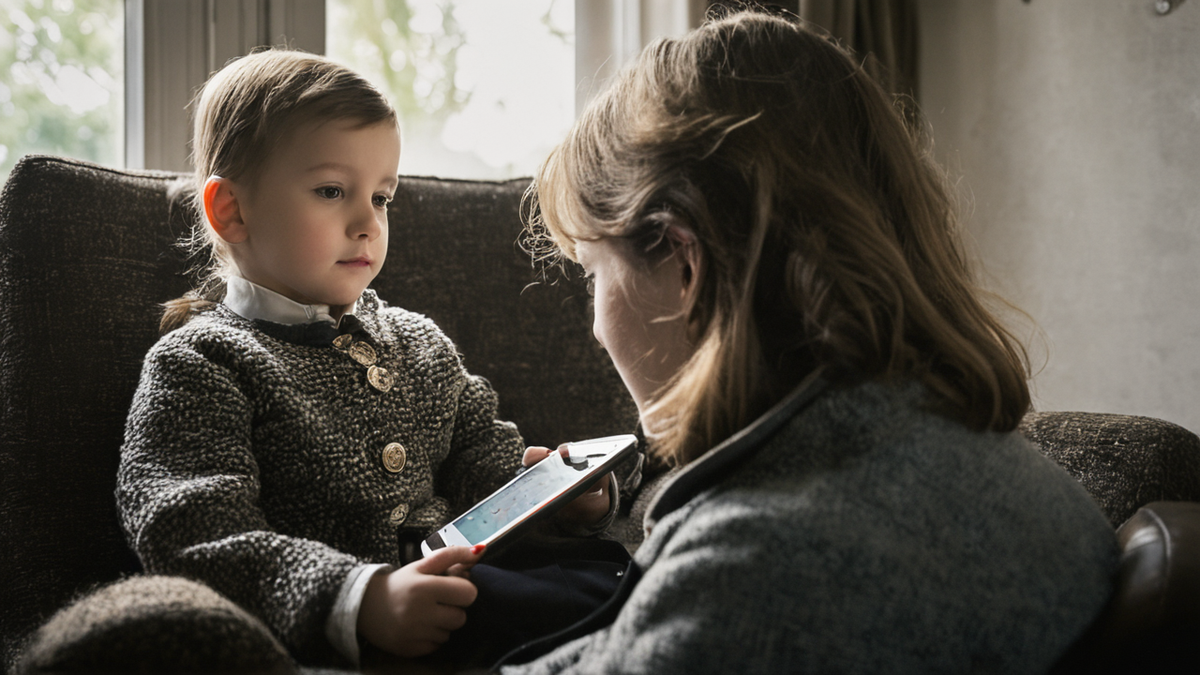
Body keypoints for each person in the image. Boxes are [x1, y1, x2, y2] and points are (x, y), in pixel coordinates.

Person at [502, 8, 1118, 675]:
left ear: (685, 264)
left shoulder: (749, 576)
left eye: (595, 274)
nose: (595, 324)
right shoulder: (1022, 484)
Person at [115, 48, 618, 669]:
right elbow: (190, 532)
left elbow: (480, 458)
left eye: (382, 198)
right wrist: (356, 598)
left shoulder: (418, 343)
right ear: (232, 211)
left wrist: (556, 497)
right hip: (358, 629)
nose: (366, 222)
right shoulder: (200, 363)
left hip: (468, 582)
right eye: (332, 191)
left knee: (607, 578)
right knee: (593, 605)